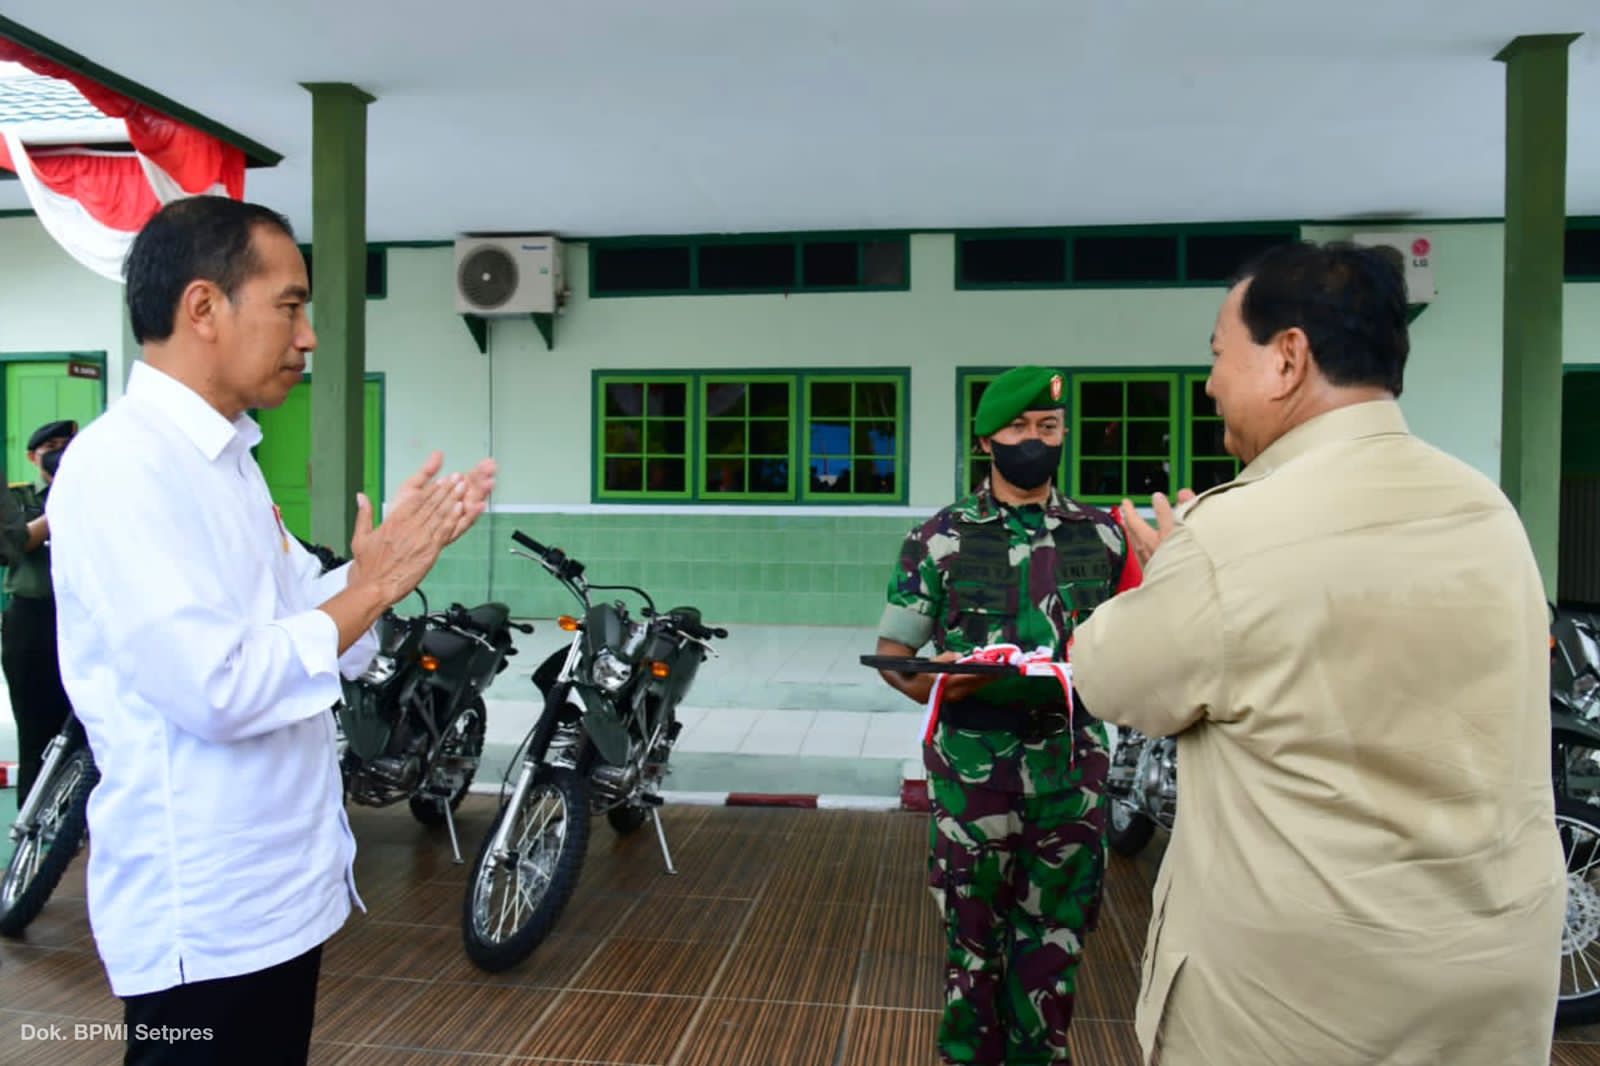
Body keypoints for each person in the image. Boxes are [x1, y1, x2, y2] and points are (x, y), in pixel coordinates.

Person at [1069, 241, 1565, 1066]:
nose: (1210, 384)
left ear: (1288, 358)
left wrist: (1173, 578)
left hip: (1305, 1006)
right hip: (1490, 980)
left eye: (1220, 355)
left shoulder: (1235, 534)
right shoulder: (1487, 511)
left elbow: (1108, 676)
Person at [46, 195, 496, 1066]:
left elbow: (326, 635)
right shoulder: (123, 468)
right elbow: (218, 689)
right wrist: (368, 588)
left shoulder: (227, 463)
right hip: (204, 922)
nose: (309, 337)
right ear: (204, 307)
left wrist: (378, 576)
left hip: (275, 900)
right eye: (290, 306)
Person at [874, 364, 1139, 1066]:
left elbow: (1135, 647)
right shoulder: (941, 538)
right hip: (974, 775)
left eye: (1048, 428)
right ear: (987, 440)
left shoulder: (1104, 538)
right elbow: (897, 654)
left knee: (1057, 943)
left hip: (1072, 772)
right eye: (1019, 428)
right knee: (972, 945)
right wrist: (943, 687)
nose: (1035, 440)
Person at [0, 418, 78, 805]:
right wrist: (59, 510)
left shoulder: (92, 497)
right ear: (33, 457)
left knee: (81, 731)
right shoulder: (20, 500)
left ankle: (74, 827)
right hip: (32, 623)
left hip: (78, 621)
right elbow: (15, 543)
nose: (62, 453)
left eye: (69, 444)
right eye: (53, 447)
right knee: (36, 733)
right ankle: (32, 824)